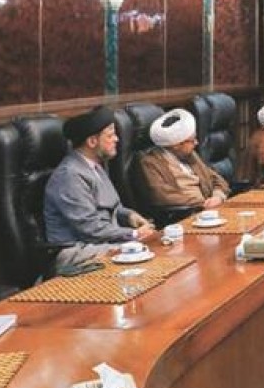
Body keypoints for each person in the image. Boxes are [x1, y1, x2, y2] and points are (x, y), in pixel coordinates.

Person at [44, 105, 155, 270]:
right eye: (110, 135)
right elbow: (90, 229)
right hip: (77, 252)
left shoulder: (95, 166)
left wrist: (129, 216)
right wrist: (133, 234)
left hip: (103, 243)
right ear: (92, 141)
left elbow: (112, 208)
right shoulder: (69, 175)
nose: (117, 139)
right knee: (141, 255)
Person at [137, 108, 229, 216]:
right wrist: (203, 203)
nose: (196, 143)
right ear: (176, 145)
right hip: (186, 215)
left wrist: (218, 196)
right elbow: (162, 196)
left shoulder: (190, 154)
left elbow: (215, 178)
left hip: (211, 209)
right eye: (192, 140)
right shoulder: (150, 163)